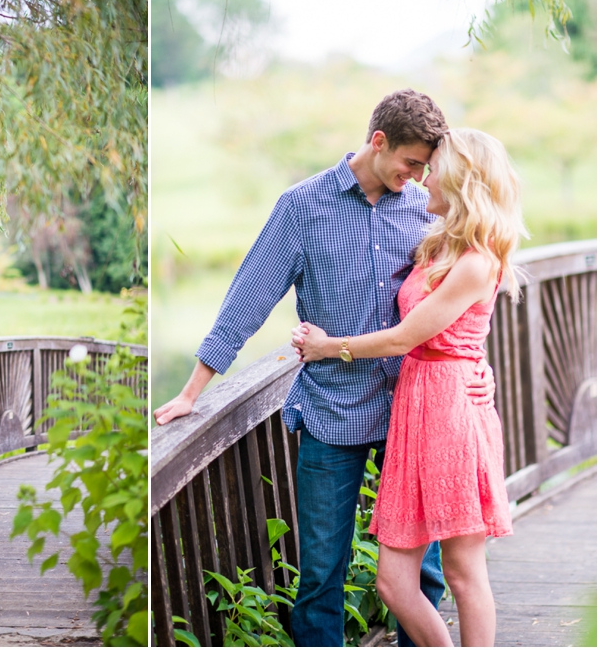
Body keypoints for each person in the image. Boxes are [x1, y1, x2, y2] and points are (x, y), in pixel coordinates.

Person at [153, 90, 496, 647]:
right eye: (411, 163)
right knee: (319, 577)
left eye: (426, 168)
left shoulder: (428, 209)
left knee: (425, 574)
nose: (417, 177)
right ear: (378, 142)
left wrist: (480, 368)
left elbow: (463, 301)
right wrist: (194, 390)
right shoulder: (302, 206)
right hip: (331, 410)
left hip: (414, 414)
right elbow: (248, 299)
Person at [293, 128, 525, 647]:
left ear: (461, 179)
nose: (424, 176)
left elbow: (405, 338)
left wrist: (329, 347)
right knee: (394, 582)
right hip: (416, 409)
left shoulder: (476, 261)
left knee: (464, 573)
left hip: (449, 413)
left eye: (434, 167)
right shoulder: (441, 239)